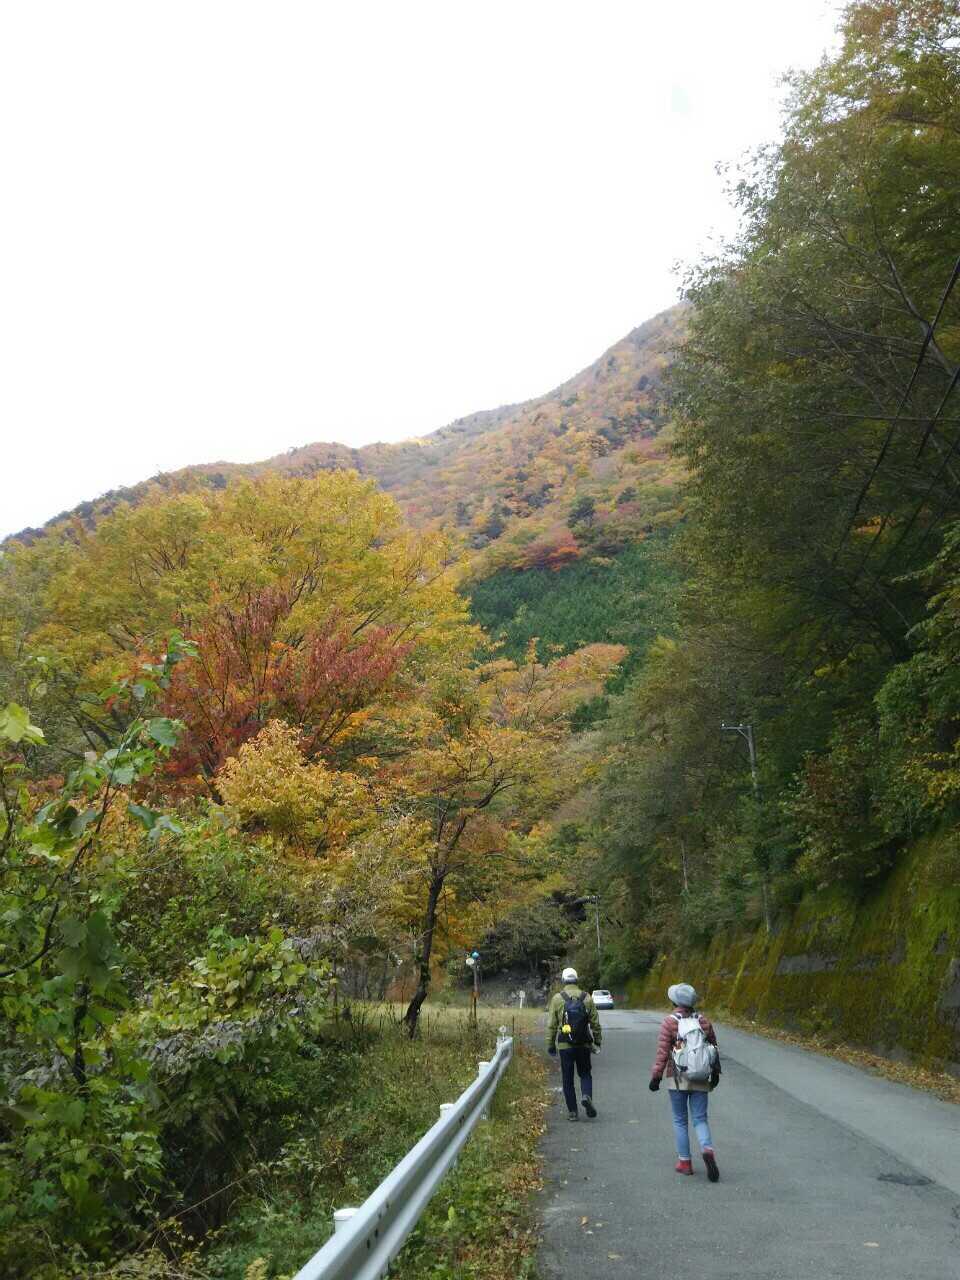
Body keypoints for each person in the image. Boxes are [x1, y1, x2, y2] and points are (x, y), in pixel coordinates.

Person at [648, 982, 721, 1180]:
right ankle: (707, 1149)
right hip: (700, 1077)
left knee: (680, 1120)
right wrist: (715, 1073)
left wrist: (656, 1077)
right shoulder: (703, 1021)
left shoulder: (669, 1022)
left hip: (678, 1077)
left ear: (674, 1002)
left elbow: (663, 1052)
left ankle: (685, 1162)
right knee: (700, 1119)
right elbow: (713, 1048)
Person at [545, 966, 602, 1121]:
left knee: (567, 1079)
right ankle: (586, 1096)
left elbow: (551, 1025)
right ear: (576, 980)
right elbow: (595, 1023)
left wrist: (550, 1045)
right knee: (585, 1074)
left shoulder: (558, 998)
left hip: (565, 1046)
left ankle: (572, 1112)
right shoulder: (586, 997)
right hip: (583, 1044)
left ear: (564, 980)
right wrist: (597, 1041)